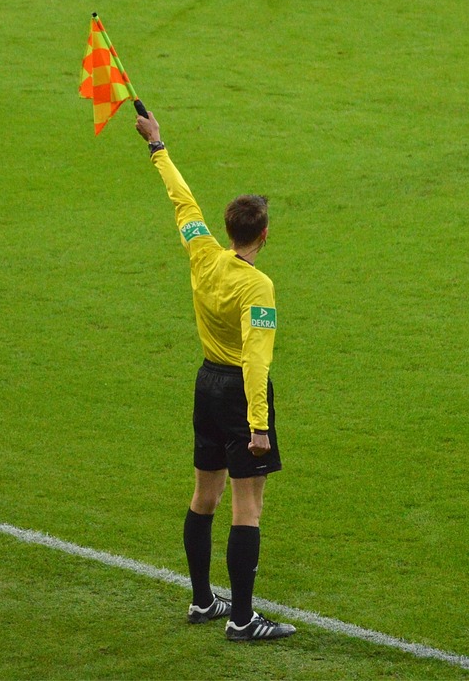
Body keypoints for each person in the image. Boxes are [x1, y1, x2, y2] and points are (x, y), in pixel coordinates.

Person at [135, 107, 296, 642]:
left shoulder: (203, 254)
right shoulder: (259, 288)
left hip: (205, 385)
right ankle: (244, 619)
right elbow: (256, 358)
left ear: (227, 230)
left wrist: (158, 145)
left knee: (204, 496)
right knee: (247, 507)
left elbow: (183, 201)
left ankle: (203, 600)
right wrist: (258, 425)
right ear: (264, 235)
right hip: (237, 394)